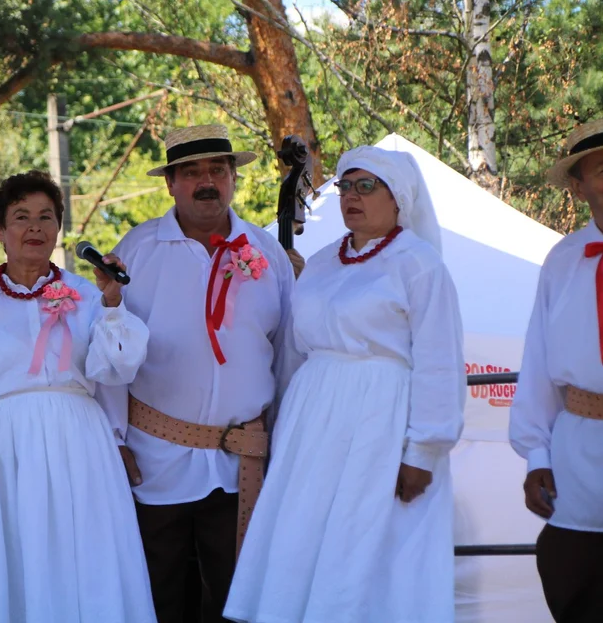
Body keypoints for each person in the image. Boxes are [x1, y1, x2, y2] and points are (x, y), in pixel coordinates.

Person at [224, 145, 466, 623]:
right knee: (306, 538)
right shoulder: (319, 263)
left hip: (381, 426)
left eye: (366, 186)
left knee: (369, 547)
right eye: (345, 186)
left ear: (398, 197)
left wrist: (423, 452)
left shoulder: (420, 265)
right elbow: (295, 353)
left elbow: (440, 364)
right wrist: (281, 428)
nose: (351, 196)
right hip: (313, 426)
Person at [0, 171, 157, 623]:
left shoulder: (86, 294)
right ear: (0, 230)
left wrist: (114, 303)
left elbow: (117, 369)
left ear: (59, 228)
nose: (34, 227)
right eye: (21, 217)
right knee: (5, 574)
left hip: (79, 455)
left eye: (46, 217)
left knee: (81, 567)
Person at [99, 124, 299, 622]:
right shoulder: (137, 250)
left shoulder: (269, 255)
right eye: (191, 172)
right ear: (170, 183)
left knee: (237, 604)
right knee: (159, 599)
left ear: (233, 177)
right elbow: (110, 349)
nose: (206, 181)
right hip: (154, 461)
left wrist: (289, 442)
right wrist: (114, 440)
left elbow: (290, 356)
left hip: (241, 469)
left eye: (217, 169)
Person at [510, 119, 603, 623]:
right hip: (578, 460)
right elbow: (539, 365)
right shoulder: (561, 261)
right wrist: (534, 457)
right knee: (574, 582)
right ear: (579, 185)